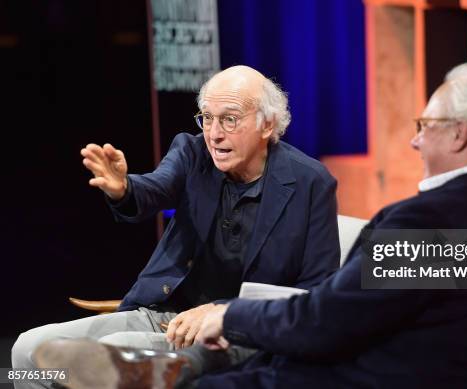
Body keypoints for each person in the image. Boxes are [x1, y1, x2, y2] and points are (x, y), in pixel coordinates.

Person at [34, 63, 467, 389]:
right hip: (397, 364)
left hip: (348, 374)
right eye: (207, 120)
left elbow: (325, 316)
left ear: (460, 135)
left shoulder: (423, 223)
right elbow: (384, 311)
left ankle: (168, 374)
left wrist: (230, 316)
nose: (416, 142)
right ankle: (162, 371)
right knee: (30, 360)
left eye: (424, 127)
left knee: (215, 371)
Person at [13, 65, 340, 389]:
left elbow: (315, 292)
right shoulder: (192, 152)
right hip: (163, 315)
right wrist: (124, 189)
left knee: (103, 355)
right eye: (207, 117)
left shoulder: (310, 183)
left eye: (229, 119)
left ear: (267, 124)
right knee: (27, 351)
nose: (214, 133)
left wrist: (223, 311)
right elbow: (156, 188)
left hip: (236, 332)